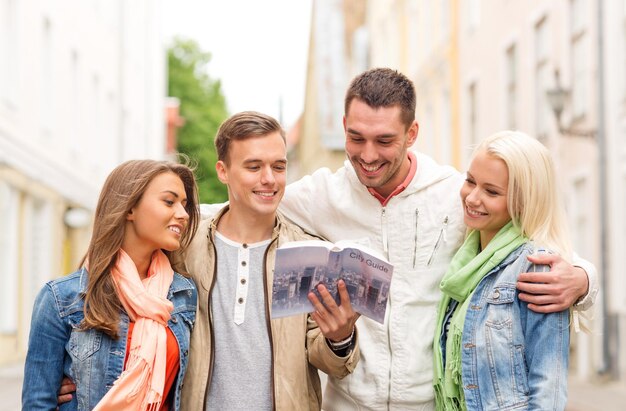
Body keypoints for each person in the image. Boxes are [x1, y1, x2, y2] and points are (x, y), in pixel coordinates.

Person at [277, 67, 598, 410]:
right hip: (347, 403)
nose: (368, 155)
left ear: (412, 132)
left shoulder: (455, 193)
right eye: (357, 138)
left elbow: (533, 242)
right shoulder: (321, 194)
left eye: (384, 141)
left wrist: (583, 278)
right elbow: (247, 206)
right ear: (344, 127)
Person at [179, 111, 360, 410]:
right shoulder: (185, 246)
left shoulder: (309, 254)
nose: (269, 179)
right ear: (223, 171)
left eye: (278, 166)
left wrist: (339, 338)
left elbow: (333, 364)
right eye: (253, 167)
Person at [22, 159, 201, 410]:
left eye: (184, 205)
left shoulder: (183, 294)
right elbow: (38, 402)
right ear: (129, 209)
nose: (183, 214)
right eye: (169, 202)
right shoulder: (62, 298)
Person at [433, 131, 571, 411]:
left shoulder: (537, 267)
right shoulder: (464, 260)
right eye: (470, 181)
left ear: (522, 201)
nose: (472, 198)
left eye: (491, 191)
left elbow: (549, 389)